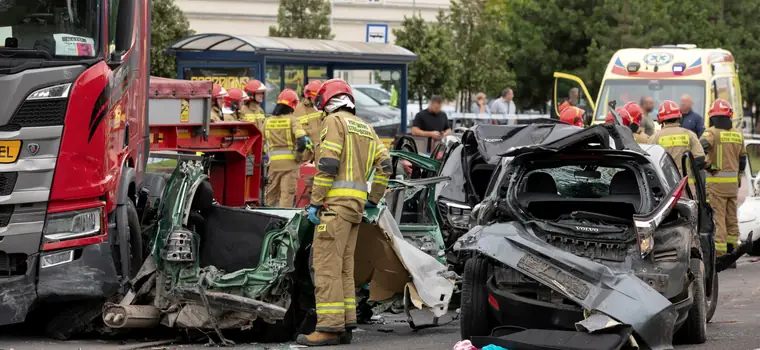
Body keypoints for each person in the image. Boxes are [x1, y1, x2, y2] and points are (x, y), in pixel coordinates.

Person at [297, 79, 392, 346]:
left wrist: (315, 202)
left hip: (334, 208)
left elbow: (327, 164)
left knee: (326, 267)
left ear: (327, 102)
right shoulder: (367, 127)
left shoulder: (334, 122)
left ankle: (328, 328)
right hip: (355, 211)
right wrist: (373, 199)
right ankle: (346, 324)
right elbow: (386, 165)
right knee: (344, 269)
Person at [700, 99, 747, 258]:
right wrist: (738, 176)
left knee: (718, 220)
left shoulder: (711, 132)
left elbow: (701, 148)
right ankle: (733, 252)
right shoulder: (737, 133)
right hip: (732, 185)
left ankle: (720, 255)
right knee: (732, 219)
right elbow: (742, 159)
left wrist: (709, 165)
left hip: (716, 185)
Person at [263, 89, 311, 207]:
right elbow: (301, 140)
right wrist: (299, 157)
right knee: (286, 197)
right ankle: (284, 222)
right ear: (293, 104)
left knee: (269, 197)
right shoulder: (292, 120)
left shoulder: (267, 121)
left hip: (273, 166)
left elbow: (261, 143)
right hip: (290, 166)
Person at [648, 100, 706, 192]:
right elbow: (700, 160)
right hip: (687, 187)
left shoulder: (654, 138)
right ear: (679, 116)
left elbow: (648, 163)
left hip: (665, 187)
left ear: (660, 119)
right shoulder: (690, 135)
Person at [296, 80, 324, 163]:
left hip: (321, 155)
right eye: (316, 97)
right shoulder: (297, 110)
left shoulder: (322, 108)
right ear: (308, 96)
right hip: (305, 157)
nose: (318, 99)